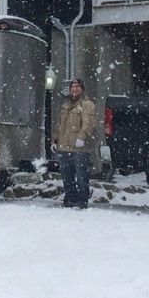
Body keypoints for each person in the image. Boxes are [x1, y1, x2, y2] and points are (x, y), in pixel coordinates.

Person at [53, 78, 98, 209]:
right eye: (72, 87)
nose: (74, 89)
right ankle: (70, 198)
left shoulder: (87, 104)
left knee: (81, 175)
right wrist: (55, 140)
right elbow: (59, 125)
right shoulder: (65, 105)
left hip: (79, 148)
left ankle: (82, 200)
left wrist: (82, 137)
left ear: (82, 89)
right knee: (67, 176)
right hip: (63, 147)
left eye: (77, 87)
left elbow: (89, 124)